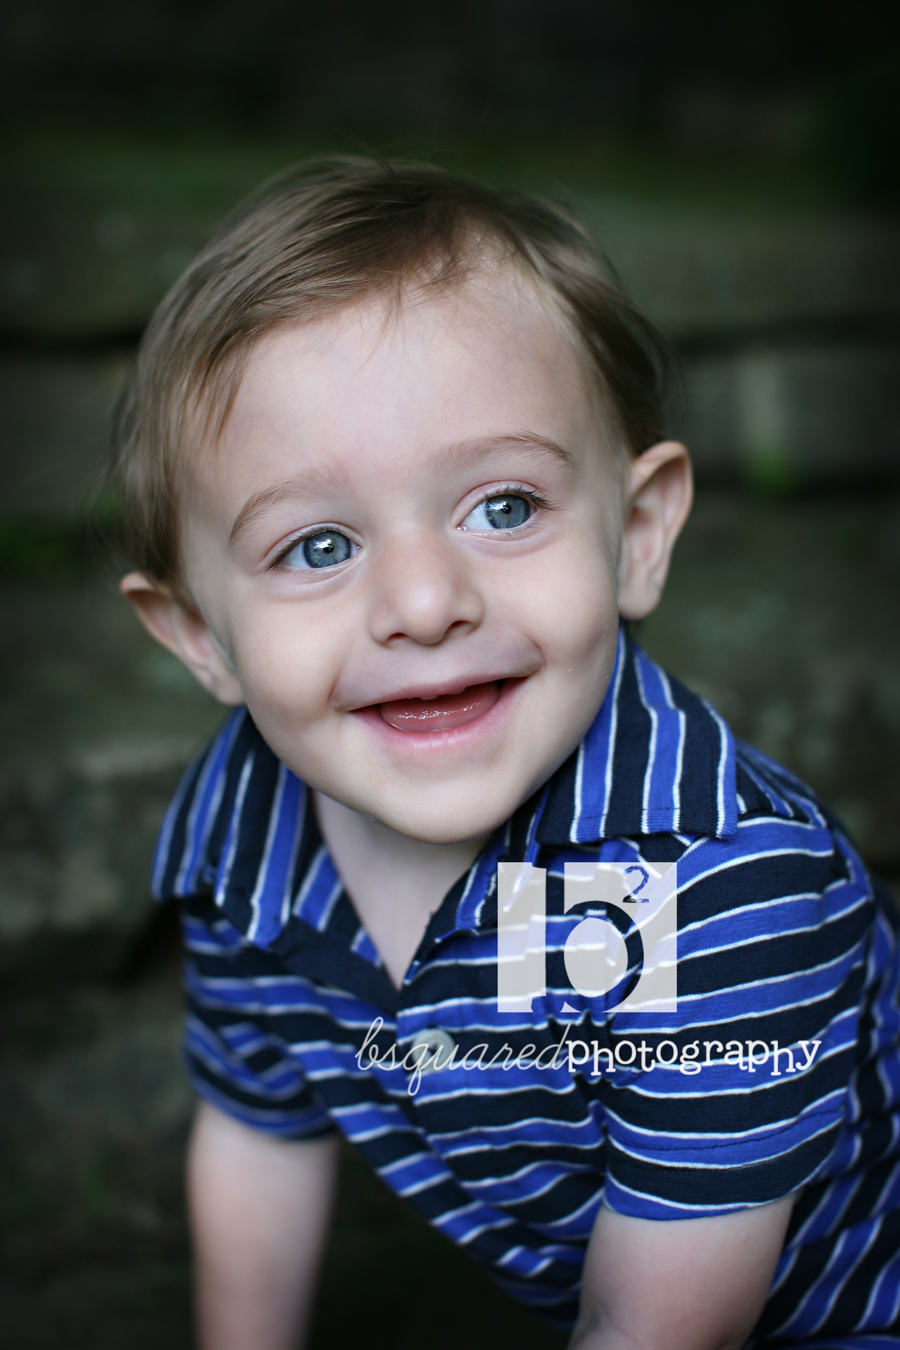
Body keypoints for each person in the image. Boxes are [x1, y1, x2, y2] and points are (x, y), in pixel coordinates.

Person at [110, 158, 900, 1350]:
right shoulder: (243, 838)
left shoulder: (711, 887)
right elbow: (260, 1125)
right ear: (199, 637)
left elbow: (656, 1327)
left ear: (637, 534)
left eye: (504, 507)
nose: (426, 603)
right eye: (317, 545)